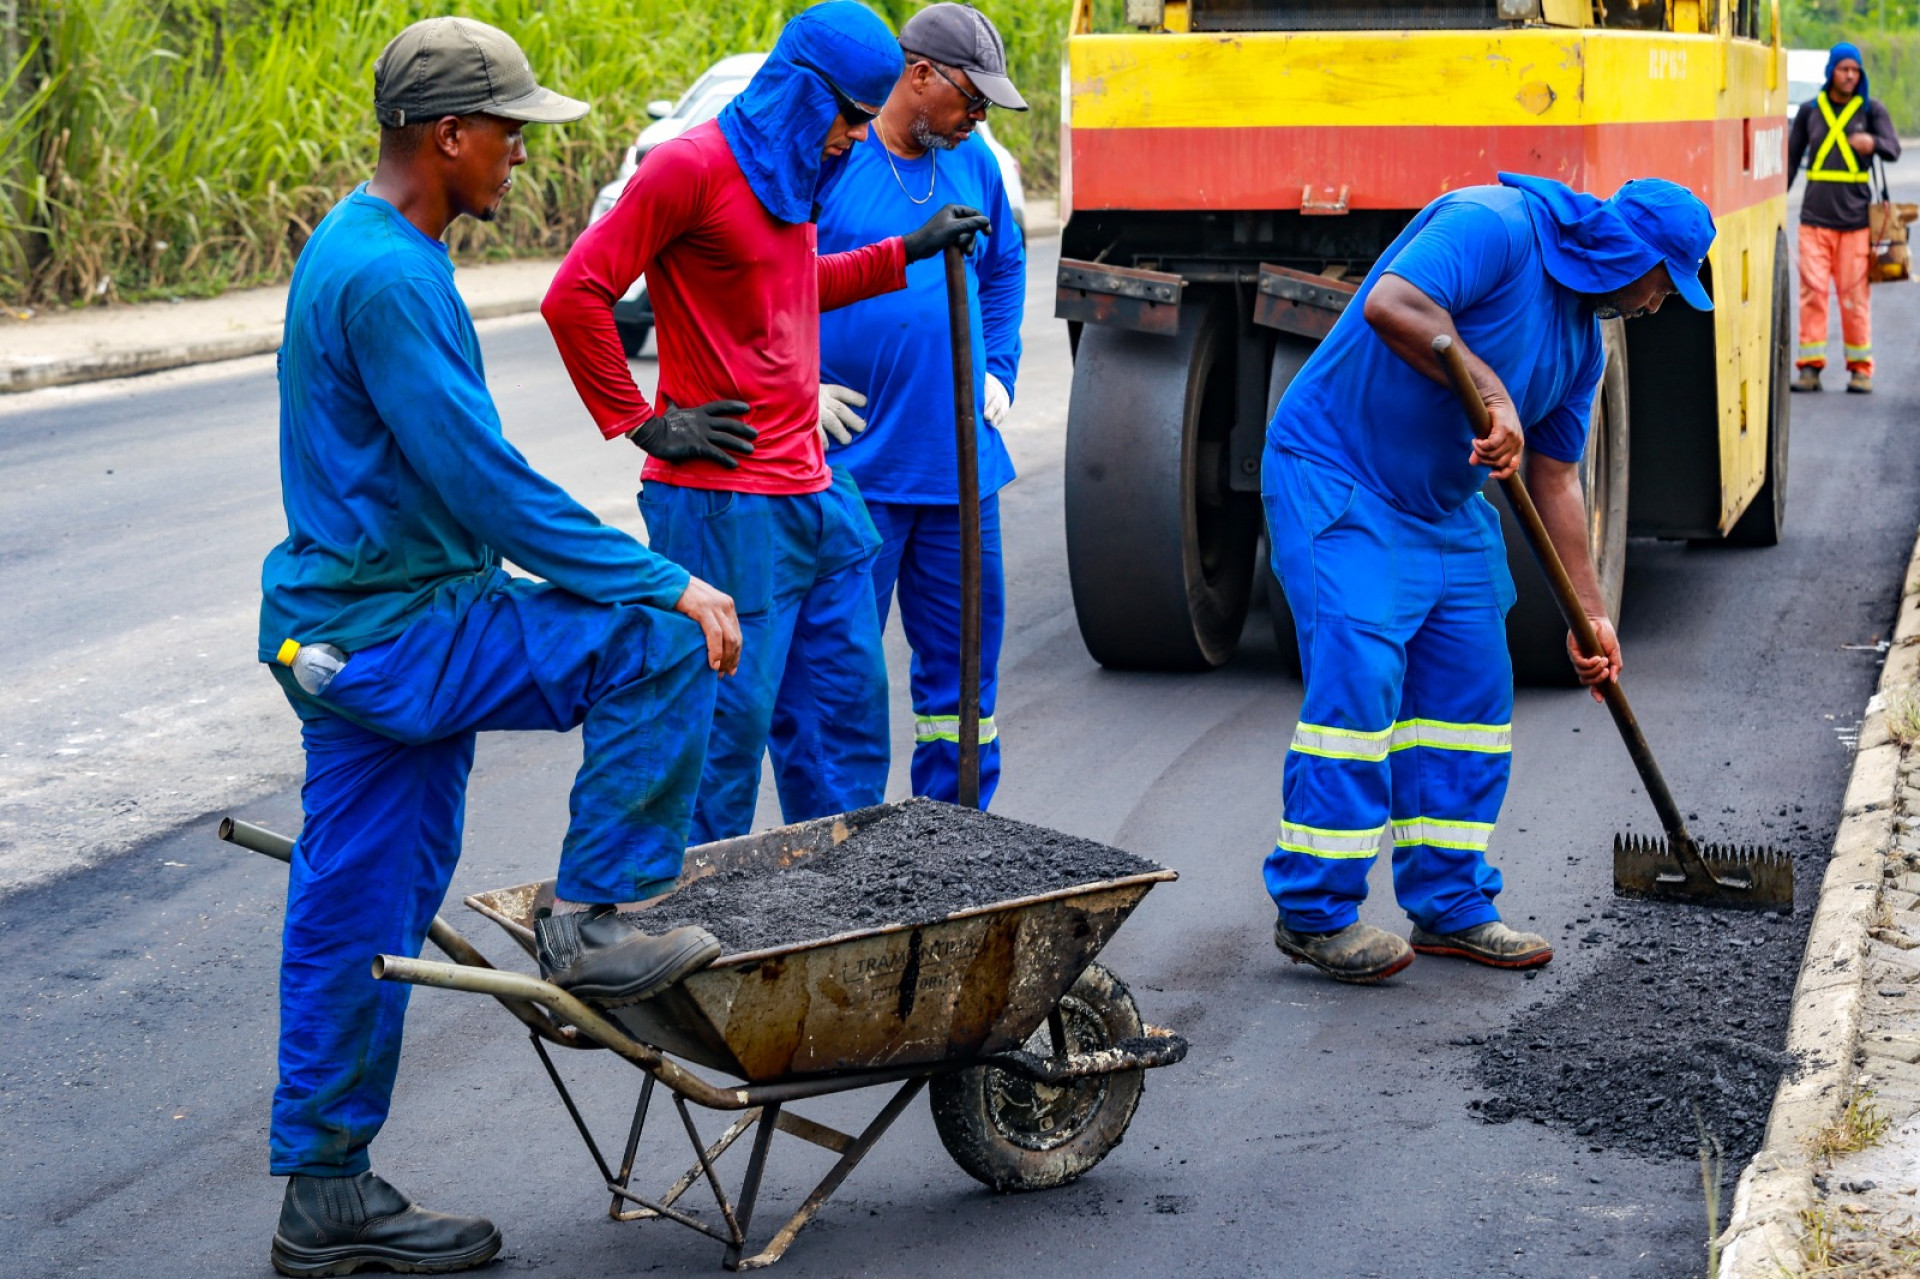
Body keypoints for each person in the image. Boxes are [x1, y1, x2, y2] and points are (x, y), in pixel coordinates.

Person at [257, 19, 741, 1275]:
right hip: (405, 629)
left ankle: (324, 1191)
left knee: (355, 908)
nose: (523, 152)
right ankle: (594, 916)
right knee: (654, 644)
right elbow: (485, 483)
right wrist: (665, 578)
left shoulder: (367, 249)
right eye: (510, 130)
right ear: (446, 135)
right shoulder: (387, 276)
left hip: (343, 638)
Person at [544, 0, 989, 844]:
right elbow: (577, 293)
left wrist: (907, 249)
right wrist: (642, 422)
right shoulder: (689, 169)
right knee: (719, 741)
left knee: (844, 723)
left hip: (812, 491)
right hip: (722, 507)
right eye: (852, 118)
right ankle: (684, 920)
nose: (858, 137)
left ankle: (835, 915)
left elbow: (790, 287)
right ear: (803, 94)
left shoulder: (793, 175)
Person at [1263, 174, 1715, 984]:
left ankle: (1450, 902)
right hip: (1338, 472)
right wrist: (1493, 392)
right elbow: (1393, 305)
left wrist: (1591, 614)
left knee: (1468, 697)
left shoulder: (1582, 348)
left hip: (1442, 506)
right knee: (1361, 677)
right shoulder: (1493, 225)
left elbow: (1556, 480)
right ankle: (1315, 910)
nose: (1656, 306)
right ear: (1635, 255)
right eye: (1663, 285)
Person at [815, 3, 1026, 807]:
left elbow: (1004, 269)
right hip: (854, 473)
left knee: (964, 681)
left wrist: (998, 365)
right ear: (920, 74)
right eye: (972, 99)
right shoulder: (836, 158)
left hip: (961, 472)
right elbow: (766, 284)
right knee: (842, 682)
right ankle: (845, 853)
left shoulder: (974, 164)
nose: (978, 118)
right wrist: (796, 383)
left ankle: (957, 839)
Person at [1787, 41, 1901, 394]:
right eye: (1843, 69)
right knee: (1813, 294)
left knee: (1854, 299)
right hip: (1814, 221)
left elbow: (1893, 148)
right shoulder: (1810, 111)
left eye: (1855, 70)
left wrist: (1872, 143)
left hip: (1855, 223)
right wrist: (1775, 201)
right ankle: (1810, 369)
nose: (1850, 75)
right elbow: (1791, 160)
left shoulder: (1871, 110)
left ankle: (1860, 369)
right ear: (1831, 72)